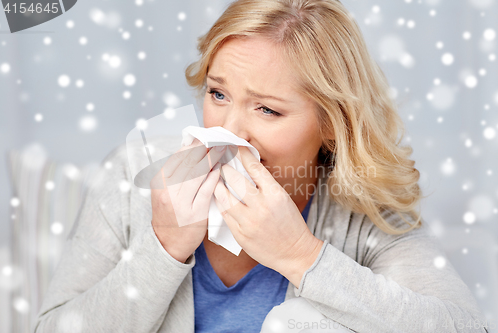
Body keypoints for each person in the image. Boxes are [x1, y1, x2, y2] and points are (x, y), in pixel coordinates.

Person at [35, 0, 488, 332]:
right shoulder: (134, 172)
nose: (231, 131)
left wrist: (302, 257)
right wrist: (165, 245)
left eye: (267, 110)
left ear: (331, 124)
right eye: (218, 94)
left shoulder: (363, 209)